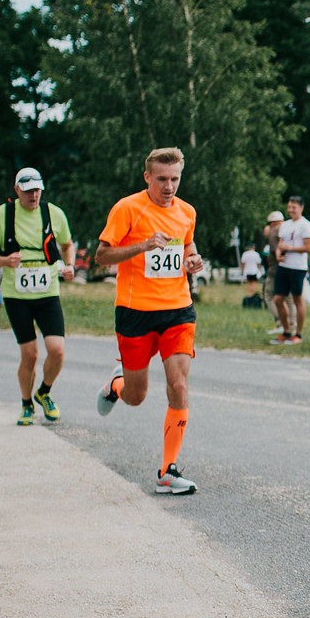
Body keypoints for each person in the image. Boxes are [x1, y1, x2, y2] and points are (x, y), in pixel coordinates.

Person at [94, 148, 204, 495]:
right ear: (147, 177)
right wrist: (142, 246)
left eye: (174, 179)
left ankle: (167, 471)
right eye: (162, 179)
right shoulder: (127, 208)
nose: (169, 186)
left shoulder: (187, 211)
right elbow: (101, 256)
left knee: (179, 385)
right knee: (136, 396)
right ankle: (117, 385)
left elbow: (187, 246)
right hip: (135, 312)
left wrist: (193, 260)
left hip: (178, 309)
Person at [0, 167, 74, 426]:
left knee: (57, 350)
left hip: (47, 291)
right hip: (16, 294)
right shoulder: (3, 214)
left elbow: (67, 244)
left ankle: (44, 391)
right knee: (30, 354)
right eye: (27, 191)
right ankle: (26, 404)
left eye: (37, 190)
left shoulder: (53, 212)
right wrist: (3, 260)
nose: (33, 196)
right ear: (17, 190)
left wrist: (69, 266)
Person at [271, 196, 310, 344]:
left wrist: (290, 248)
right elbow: (281, 243)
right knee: (278, 299)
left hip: (298, 267)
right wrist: (278, 253)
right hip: (283, 266)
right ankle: (286, 331)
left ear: (301, 208)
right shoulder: (285, 225)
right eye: (289, 207)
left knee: (297, 299)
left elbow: (309, 248)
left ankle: (298, 335)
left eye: (293, 207)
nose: (290, 210)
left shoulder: (305, 225)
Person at [239, 243, 264, 307]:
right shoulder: (256, 254)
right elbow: (259, 264)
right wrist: (261, 270)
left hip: (247, 271)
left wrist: (242, 271)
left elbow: (243, 263)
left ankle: (249, 295)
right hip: (254, 271)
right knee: (253, 284)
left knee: (249, 284)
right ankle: (251, 296)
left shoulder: (245, 254)